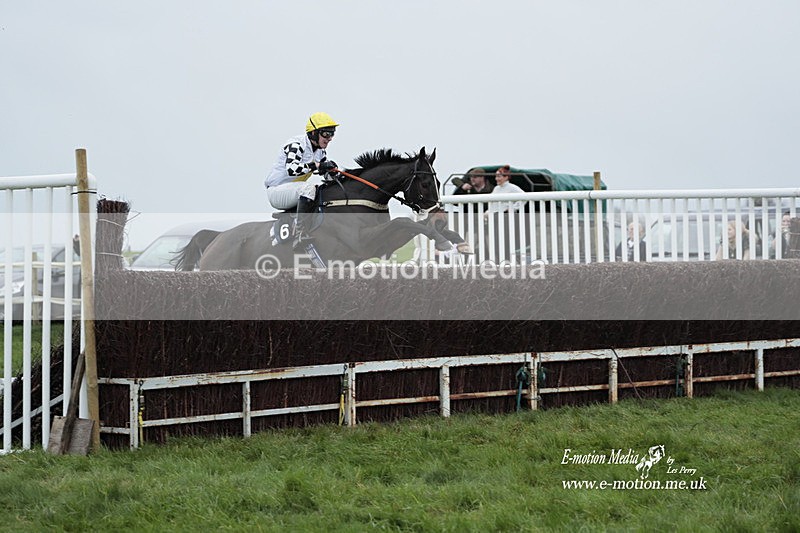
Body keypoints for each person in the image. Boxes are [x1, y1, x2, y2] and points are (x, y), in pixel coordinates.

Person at [264, 112, 340, 244]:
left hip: (292, 191)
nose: (330, 138)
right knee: (309, 189)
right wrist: (317, 165)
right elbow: (292, 169)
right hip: (277, 192)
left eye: (332, 134)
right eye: (326, 134)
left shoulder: (320, 152)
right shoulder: (296, 144)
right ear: (313, 133)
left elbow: (326, 175)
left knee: (322, 190)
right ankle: (300, 233)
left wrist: (332, 173)